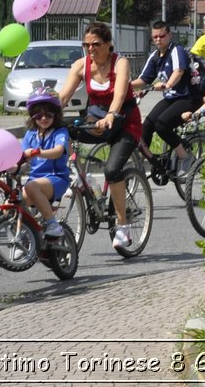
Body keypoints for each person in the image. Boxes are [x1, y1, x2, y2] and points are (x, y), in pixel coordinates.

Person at [56, 20, 145, 255]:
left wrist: (112, 115)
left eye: (95, 44)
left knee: (112, 170)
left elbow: (119, 95)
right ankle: (87, 186)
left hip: (125, 121)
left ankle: (123, 226)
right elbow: (63, 97)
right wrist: (45, 113)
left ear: (108, 44)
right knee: (62, 135)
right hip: (96, 121)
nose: (90, 49)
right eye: (86, 45)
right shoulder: (81, 65)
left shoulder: (120, 63)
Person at [128, 20, 201, 153]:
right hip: (171, 99)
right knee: (146, 126)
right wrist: (124, 86)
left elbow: (179, 71)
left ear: (169, 35)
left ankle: (184, 156)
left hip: (187, 98)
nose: (158, 39)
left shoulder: (176, 50)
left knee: (161, 125)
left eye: (162, 36)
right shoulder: (154, 56)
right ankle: (147, 160)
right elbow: (143, 80)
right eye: (155, 37)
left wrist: (168, 85)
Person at [20, 91, 70, 239]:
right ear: (32, 116)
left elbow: (58, 151)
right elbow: (22, 158)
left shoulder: (59, 132)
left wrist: (37, 152)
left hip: (56, 178)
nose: (44, 118)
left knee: (31, 187)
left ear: (56, 115)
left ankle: (53, 224)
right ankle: (26, 233)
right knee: (12, 202)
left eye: (49, 115)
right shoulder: (30, 134)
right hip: (35, 180)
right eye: (38, 116)